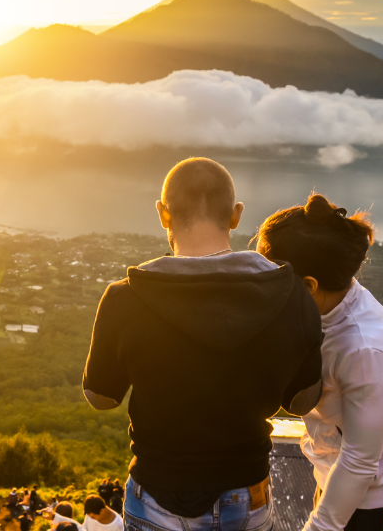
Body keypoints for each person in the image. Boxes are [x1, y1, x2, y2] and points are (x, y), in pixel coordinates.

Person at [83, 157, 325, 531]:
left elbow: (102, 397)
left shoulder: (125, 298)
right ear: (236, 215)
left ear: (163, 214)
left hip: (157, 492)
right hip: (247, 491)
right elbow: (302, 402)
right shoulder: (291, 295)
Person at [257, 194, 383, 531]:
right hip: (340, 489)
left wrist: (318, 527)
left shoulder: (365, 350)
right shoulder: (327, 306)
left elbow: (361, 461)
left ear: (309, 285)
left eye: (272, 277)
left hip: (371, 510)